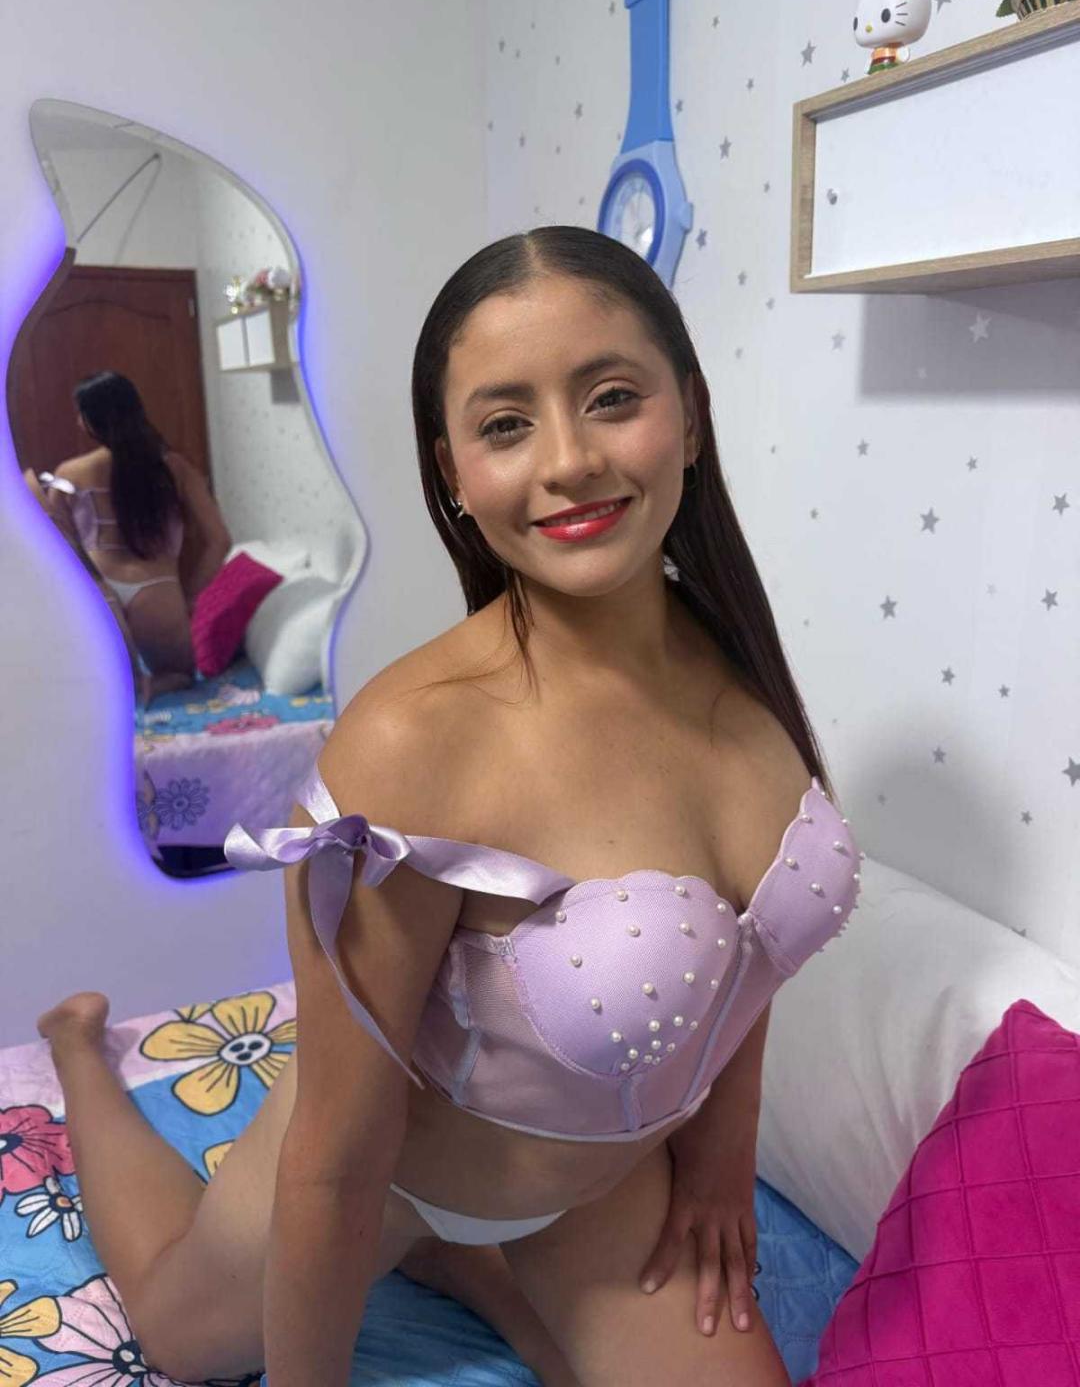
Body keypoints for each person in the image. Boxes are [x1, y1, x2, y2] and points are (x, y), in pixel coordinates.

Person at [36, 227, 861, 1387]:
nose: (569, 461)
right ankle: (77, 1051)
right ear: (455, 475)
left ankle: (473, 1269)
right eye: (507, 424)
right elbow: (336, 1159)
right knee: (182, 1340)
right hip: (398, 1179)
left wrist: (723, 1159)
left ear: (690, 412)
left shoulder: (742, 669)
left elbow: (749, 951)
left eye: (612, 398)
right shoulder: (415, 741)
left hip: (605, 1186)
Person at [43, 370, 232, 701]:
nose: (77, 421)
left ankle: (116, 688)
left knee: (93, 679)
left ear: (91, 419)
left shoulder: (69, 473)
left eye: (80, 413)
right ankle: (149, 687)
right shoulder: (175, 468)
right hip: (156, 594)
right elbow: (220, 540)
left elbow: (56, 544)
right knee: (179, 675)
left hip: (99, 594)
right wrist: (189, 597)